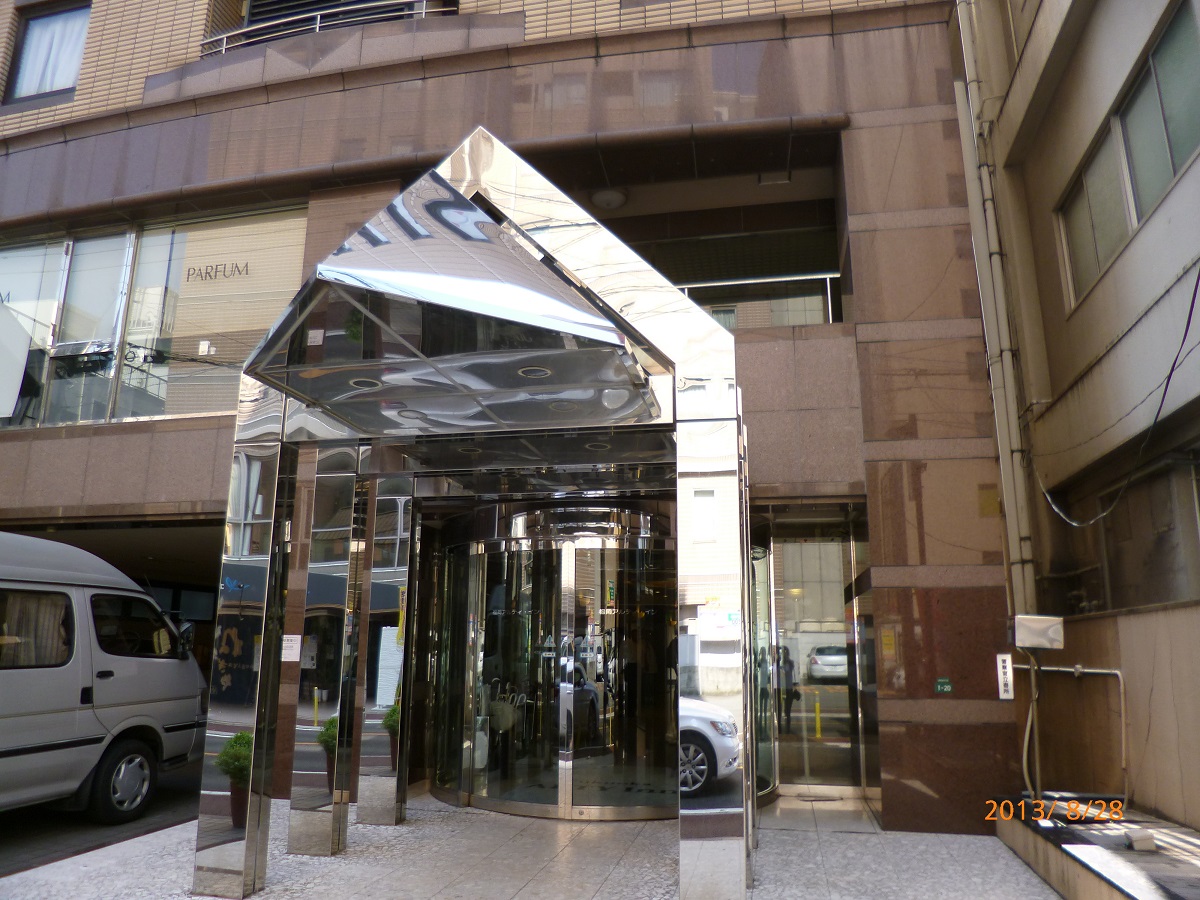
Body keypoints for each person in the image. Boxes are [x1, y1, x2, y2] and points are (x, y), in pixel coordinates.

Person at [776, 647, 795, 734]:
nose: (782, 655)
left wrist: (780, 663)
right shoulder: (777, 663)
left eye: (783, 653)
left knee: (787, 711)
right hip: (779, 688)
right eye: (780, 653)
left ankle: (788, 729)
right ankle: (779, 727)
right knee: (778, 710)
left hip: (788, 689)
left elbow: (785, 670)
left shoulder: (790, 663)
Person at [755, 647, 770, 728]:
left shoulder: (766, 662)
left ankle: (765, 724)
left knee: (764, 709)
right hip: (761, 687)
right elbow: (757, 669)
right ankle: (761, 724)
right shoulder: (760, 662)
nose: (763, 654)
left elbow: (767, 674)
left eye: (764, 652)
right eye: (762, 653)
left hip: (765, 687)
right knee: (761, 709)